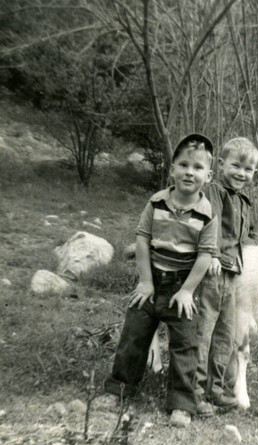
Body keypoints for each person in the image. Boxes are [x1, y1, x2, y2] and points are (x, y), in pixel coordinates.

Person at [104, 133, 217, 428]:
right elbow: (142, 240)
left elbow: (205, 256)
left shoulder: (207, 216)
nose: (189, 172)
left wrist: (187, 291)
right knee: (134, 335)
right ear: (172, 169)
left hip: (182, 287)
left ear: (208, 175)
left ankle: (181, 404)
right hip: (151, 282)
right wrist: (145, 282)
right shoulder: (156, 203)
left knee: (184, 346)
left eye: (197, 167)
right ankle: (120, 389)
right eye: (183, 164)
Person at [195, 137, 258, 417]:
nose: (241, 173)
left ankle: (217, 389)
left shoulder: (244, 200)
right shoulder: (216, 191)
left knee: (226, 333)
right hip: (213, 270)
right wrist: (211, 254)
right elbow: (211, 226)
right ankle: (194, 392)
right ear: (221, 164)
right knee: (204, 331)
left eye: (248, 169)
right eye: (236, 165)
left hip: (233, 274)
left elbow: (248, 237)